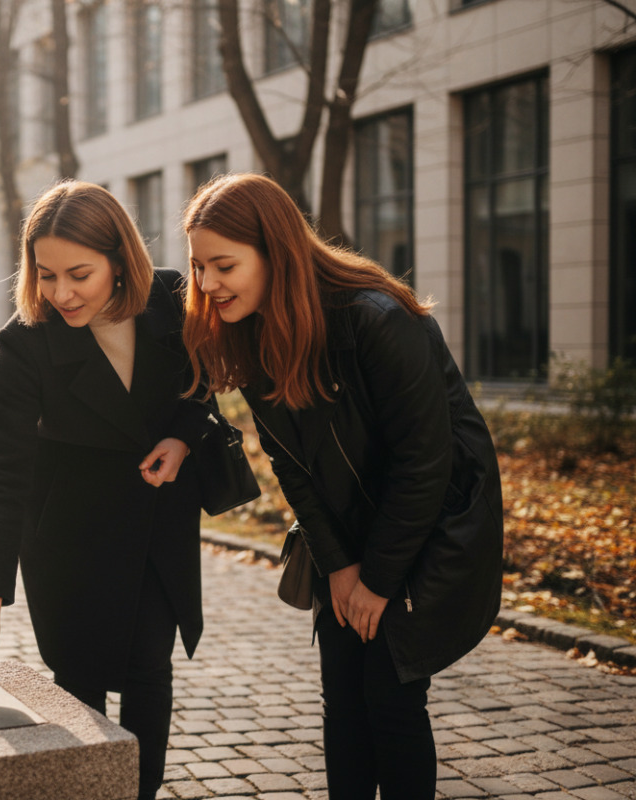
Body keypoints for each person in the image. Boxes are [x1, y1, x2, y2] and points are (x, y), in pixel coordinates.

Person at [180, 172, 503, 800]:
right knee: (343, 702)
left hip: (428, 533)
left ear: (277, 253)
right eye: (198, 266)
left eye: (223, 265)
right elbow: (291, 467)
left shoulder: (377, 319)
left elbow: (425, 466)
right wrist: (339, 566)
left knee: (390, 698)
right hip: (348, 540)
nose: (207, 284)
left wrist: (378, 578)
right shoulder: (248, 330)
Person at [0, 180, 218, 800]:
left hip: (157, 526)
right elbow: (1, 470)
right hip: (68, 541)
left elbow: (202, 379)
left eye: (79, 274)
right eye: (46, 275)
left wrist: (181, 437)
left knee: (150, 674)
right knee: (78, 683)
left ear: (120, 261)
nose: (61, 293)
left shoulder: (173, 299)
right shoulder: (27, 342)